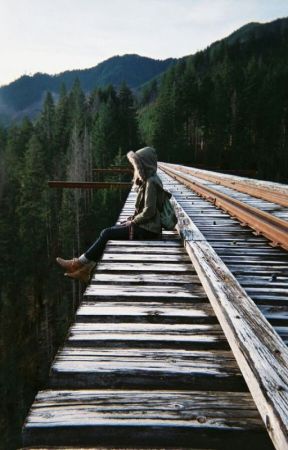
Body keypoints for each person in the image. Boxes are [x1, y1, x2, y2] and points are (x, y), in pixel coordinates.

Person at [56, 146, 165, 283]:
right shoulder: (151, 180)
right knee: (110, 231)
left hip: (148, 230)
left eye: (137, 165)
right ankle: (85, 269)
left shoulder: (150, 183)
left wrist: (133, 221)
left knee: (107, 233)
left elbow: (149, 211)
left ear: (144, 165)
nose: (135, 168)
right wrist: (133, 218)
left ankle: (78, 264)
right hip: (148, 227)